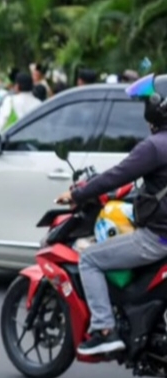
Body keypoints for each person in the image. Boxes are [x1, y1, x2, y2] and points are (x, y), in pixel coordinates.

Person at [56, 73, 167, 356]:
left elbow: (116, 175)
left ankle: (105, 329)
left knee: (90, 259)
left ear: (157, 108)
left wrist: (78, 194)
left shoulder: (154, 147)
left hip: (158, 238)